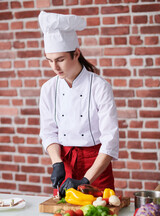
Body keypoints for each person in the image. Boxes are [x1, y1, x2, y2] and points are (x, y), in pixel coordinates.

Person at [38, 11, 119, 197]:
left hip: (96, 165)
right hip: (66, 163)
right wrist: (56, 162)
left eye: (60, 60)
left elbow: (110, 138)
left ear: (76, 53)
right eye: (49, 60)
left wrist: (86, 180)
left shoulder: (100, 86)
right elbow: (48, 131)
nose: (54, 67)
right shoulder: (48, 89)